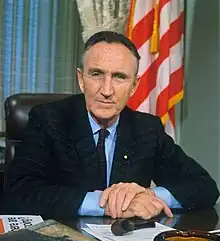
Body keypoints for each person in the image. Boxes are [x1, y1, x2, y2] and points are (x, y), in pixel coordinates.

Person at [2, 31, 219, 220]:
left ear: (134, 86)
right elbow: (18, 192)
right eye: (96, 74)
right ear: (81, 79)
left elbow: (204, 186)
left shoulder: (147, 129)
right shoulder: (48, 119)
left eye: (119, 77)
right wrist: (105, 203)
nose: (106, 90)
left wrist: (148, 195)